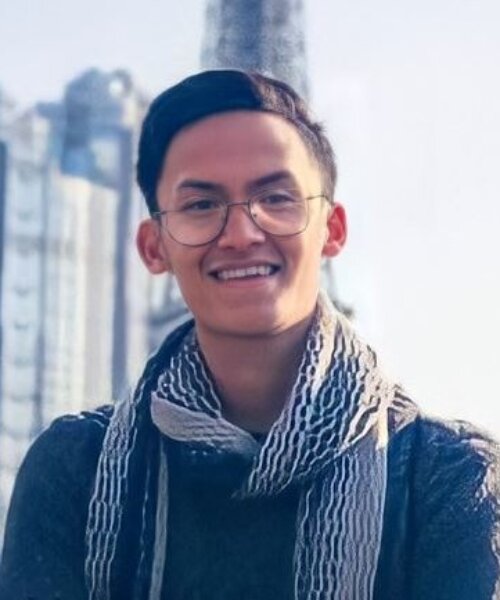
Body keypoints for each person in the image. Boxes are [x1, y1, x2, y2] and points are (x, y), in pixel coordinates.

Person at [0, 69, 499, 600]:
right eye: (201, 205)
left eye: (277, 198)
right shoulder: (72, 468)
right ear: (153, 247)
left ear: (332, 230)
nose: (241, 233)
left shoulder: (451, 477)